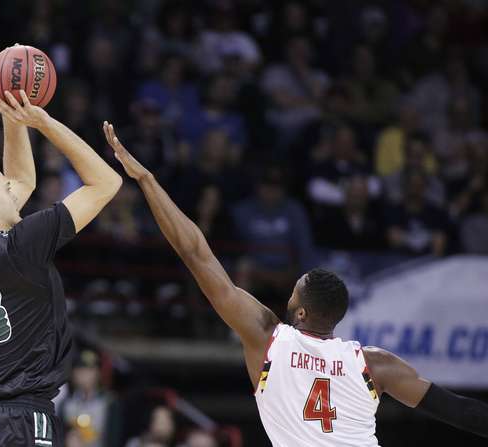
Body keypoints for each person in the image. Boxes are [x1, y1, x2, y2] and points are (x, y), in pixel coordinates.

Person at [103, 123, 488, 446]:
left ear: (300, 310)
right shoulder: (375, 364)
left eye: (294, 290)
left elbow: (195, 253)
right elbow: (460, 410)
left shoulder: (269, 339)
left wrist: (147, 180)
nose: (289, 291)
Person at [0, 90, 122, 447]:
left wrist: (13, 114)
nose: (15, 189)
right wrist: (43, 122)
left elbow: (23, 180)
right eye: (4, 187)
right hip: (20, 418)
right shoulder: (19, 246)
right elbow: (106, 182)